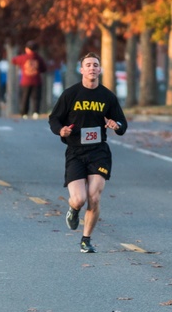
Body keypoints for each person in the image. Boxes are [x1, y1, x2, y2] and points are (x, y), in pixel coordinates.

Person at [48, 52, 127, 253]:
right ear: (82, 70)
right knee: (79, 199)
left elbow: (122, 124)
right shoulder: (70, 94)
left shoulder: (107, 96)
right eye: (88, 65)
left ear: (100, 70)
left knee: (94, 197)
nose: (92, 68)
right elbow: (54, 118)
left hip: (99, 151)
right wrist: (61, 130)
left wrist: (114, 124)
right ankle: (73, 211)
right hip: (75, 151)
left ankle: (86, 239)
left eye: (95, 65)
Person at [12, 41, 46, 118]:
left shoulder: (23, 57)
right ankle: (35, 112)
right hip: (37, 81)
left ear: (27, 49)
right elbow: (44, 68)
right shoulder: (39, 58)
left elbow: (14, 60)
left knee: (25, 98)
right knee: (36, 97)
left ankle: (24, 113)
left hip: (25, 81)